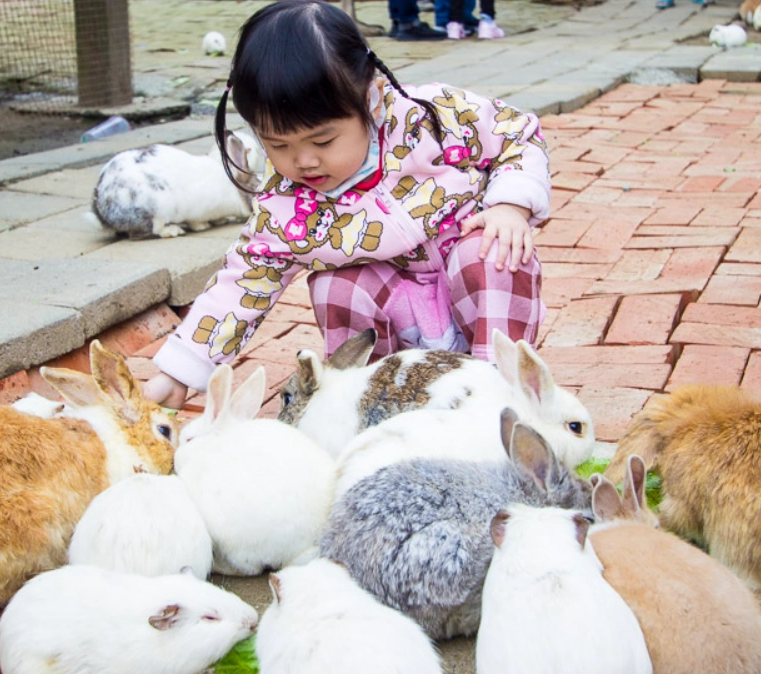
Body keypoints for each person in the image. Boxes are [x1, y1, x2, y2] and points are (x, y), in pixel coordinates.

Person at [143, 0, 550, 410]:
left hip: (475, 300)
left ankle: (502, 395)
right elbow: (245, 281)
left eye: (322, 141)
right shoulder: (287, 204)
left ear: (370, 98)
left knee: (494, 249)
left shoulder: (430, 117)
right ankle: (376, 402)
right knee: (336, 286)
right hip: (397, 319)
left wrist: (511, 205)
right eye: (278, 145)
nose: (303, 161)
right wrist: (180, 370)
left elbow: (518, 133)